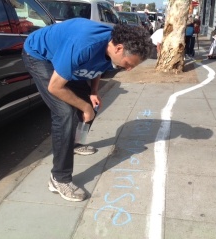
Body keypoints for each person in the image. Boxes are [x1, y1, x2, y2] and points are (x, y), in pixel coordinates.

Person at [22, 18, 153, 202]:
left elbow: (99, 65)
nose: (129, 69)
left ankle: (74, 143)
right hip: (40, 55)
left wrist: (92, 92)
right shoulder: (84, 45)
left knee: (93, 104)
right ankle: (59, 179)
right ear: (118, 48)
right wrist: (84, 107)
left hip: (69, 57)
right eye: (128, 63)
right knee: (65, 114)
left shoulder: (111, 48)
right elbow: (55, 87)